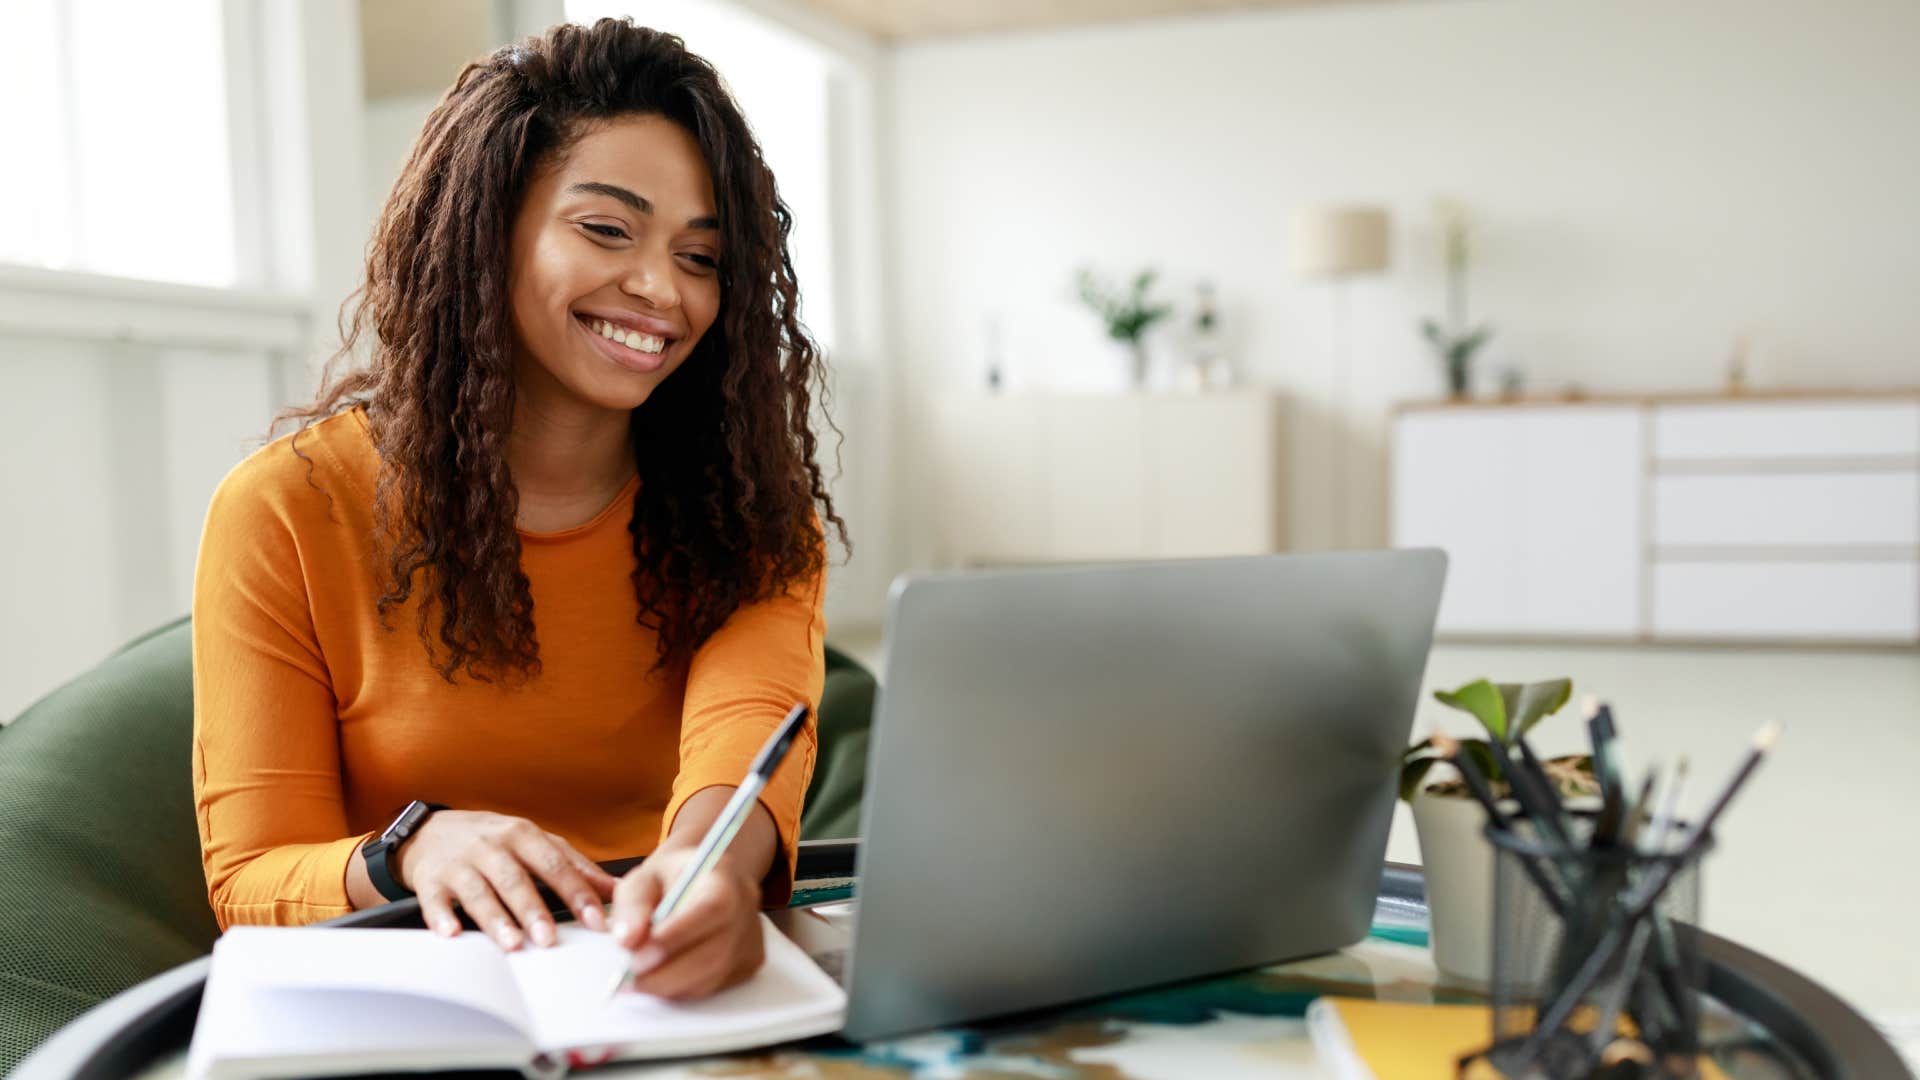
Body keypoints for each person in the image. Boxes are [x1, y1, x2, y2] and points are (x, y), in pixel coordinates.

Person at [190, 18, 846, 1002]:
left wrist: (714, 864)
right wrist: (411, 849)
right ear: (485, 226)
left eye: (702, 257)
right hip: (410, 995)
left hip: (665, 989)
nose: (661, 290)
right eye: (606, 229)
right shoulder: (286, 509)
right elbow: (249, 878)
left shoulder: (751, 507)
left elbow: (745, 724)